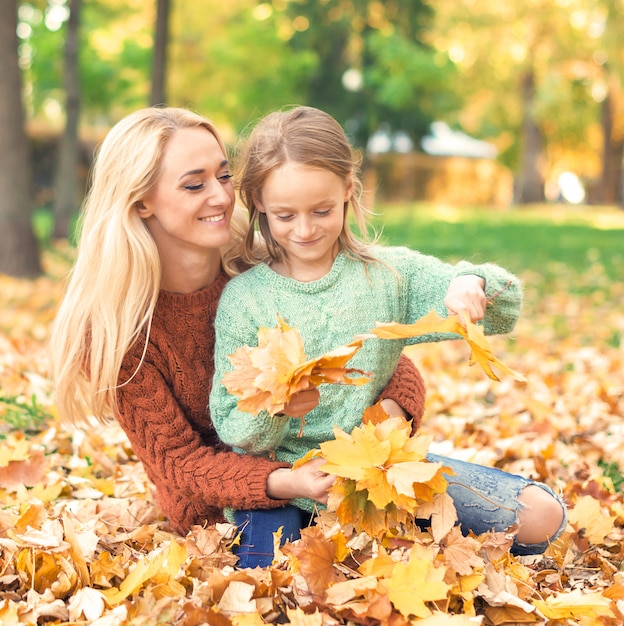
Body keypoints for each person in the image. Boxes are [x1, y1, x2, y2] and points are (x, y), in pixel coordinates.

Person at [48, 106, 430, 546]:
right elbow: (180, 462)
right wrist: (291, 481)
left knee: (526, 519)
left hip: (345, 470)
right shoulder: (116, 334)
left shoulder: (262, 269)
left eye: (224, 177)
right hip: (228, 516)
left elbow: (377, 361)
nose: (222, 197)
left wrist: (383, 428)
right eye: (195, 184)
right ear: (140, 202)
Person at [210, 105, 567, 568]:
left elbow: (499, 302)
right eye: (285, 215)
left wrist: (470, 285)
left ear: (348, 191)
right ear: (258, 202)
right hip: (284, 483)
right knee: (277, 580)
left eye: (322, 210)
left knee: (541, 516)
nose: (304, 229)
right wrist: (276, 410)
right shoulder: (245, 298)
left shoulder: (387, 276)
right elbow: (230, 420)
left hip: (378, 471)